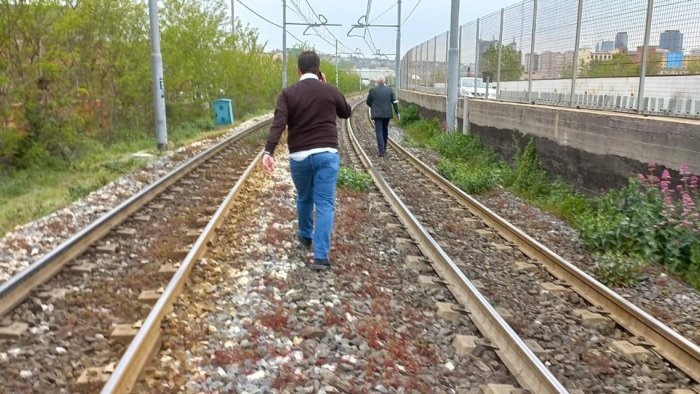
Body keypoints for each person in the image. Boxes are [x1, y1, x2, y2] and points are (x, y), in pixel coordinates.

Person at [262, 51, 352, 270]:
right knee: (325, 204)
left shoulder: (288, 93)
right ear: (319, 69)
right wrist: (328, 87)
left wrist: (268, 152)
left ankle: (304, 236)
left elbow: (278, 124)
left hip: (299, 156)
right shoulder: (329, 90)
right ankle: (320, 257)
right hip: (326, 155)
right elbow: (346, 112)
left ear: (298, 70)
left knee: (304, 197)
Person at [366, 76, 400, 157]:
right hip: (387, 114)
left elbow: (368, 102)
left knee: (379, 132)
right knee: (385, 130)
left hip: (377, 115)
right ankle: (384, 148)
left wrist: (373, 107)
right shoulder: (390, 90)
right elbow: (394, 102)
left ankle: (381, 151)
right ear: (384, 82)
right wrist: (397, 113)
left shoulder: (372, 91)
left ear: (377, 82)